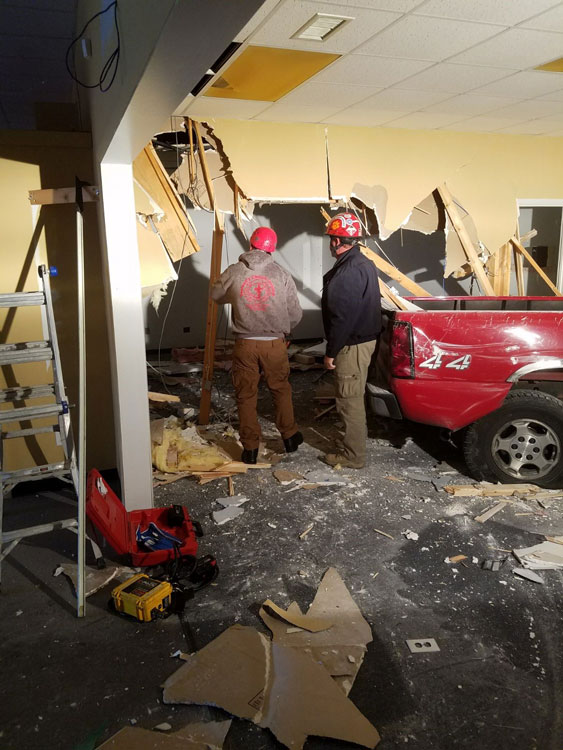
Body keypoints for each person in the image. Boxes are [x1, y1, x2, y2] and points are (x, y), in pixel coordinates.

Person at [211, 226, 304, 464]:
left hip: (245, 344)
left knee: (245, 395)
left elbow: (216, 296)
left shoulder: (235, 271)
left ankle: (250, 449)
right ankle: (290, 437)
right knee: (281, 389)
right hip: (274, 344)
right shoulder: (281, 274)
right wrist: (283, 328)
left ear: (251, 245)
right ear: (272, 249)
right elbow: (295, 313)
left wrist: (235, 295)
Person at [321, 212, 382, 469]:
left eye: (331, 238)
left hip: (352, 345)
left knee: (349, 400)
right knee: (353, 395)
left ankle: (353, 456)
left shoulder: (347, 271)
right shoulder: (363, 262)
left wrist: (331, 352)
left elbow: (341, 318)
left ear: (336, 241)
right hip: (363, 342)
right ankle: (352, 444)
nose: (330, 243)